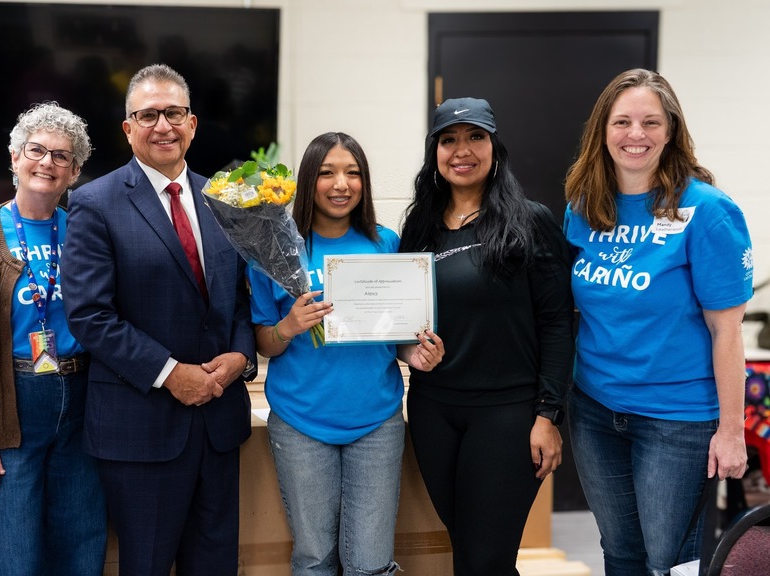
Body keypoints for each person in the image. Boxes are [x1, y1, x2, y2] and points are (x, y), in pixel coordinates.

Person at [62, 63, 257, 576]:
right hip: (141, 429)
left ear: (192, 124)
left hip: (218, 422)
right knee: (146, 564)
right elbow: (89, 315)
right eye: (148, 115)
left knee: (216, 564)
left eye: (173, 113)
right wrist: (172, 374)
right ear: (128, 128)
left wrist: (241, 356)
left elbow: (238, 296)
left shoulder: (223, 199)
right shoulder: (93, 203)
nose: (162, 125)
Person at [563, 69, 753, 575]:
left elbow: (727, 332)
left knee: (667, 561)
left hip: (678, 419)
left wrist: (732, 431)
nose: (635, 134)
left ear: (671, 130)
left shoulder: (708, 211)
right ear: (602, 131)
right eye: (622, 121)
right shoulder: (584, 206)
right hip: (595, 410)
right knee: (620, 551)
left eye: (650, 122)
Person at [249, 132, 442, 576]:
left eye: (353, 173)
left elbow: (398, 335)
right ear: (307, 181)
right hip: (301, 422)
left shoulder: (387, 243)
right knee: (314, 558)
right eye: (327, 172)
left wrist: (417, 353)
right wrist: (288, 326)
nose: (341, 184)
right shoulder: (276, 251)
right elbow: (263, 341)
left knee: (371, 563)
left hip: (376, 422)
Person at [398, 97, 575, 576]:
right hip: (434, 410)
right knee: (475, 556)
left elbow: (559, 322)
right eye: (449, 140)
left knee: (484, 560)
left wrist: (548, 415)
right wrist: (406, 348)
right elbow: (403, 320)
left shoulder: (530, 221)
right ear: (434, 151)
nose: (462, 150)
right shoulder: (418, 227)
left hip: (507, 415)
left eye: (476, 137)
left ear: (494, 146)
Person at [0, 102, 107, 575]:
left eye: (61, 156)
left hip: (81, 401)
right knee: (13, 555)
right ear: (14, 157)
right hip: (10, 403)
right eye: (36, 150)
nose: (47, 163)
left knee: (81, 546)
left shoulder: (86, 229)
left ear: (75, 172)